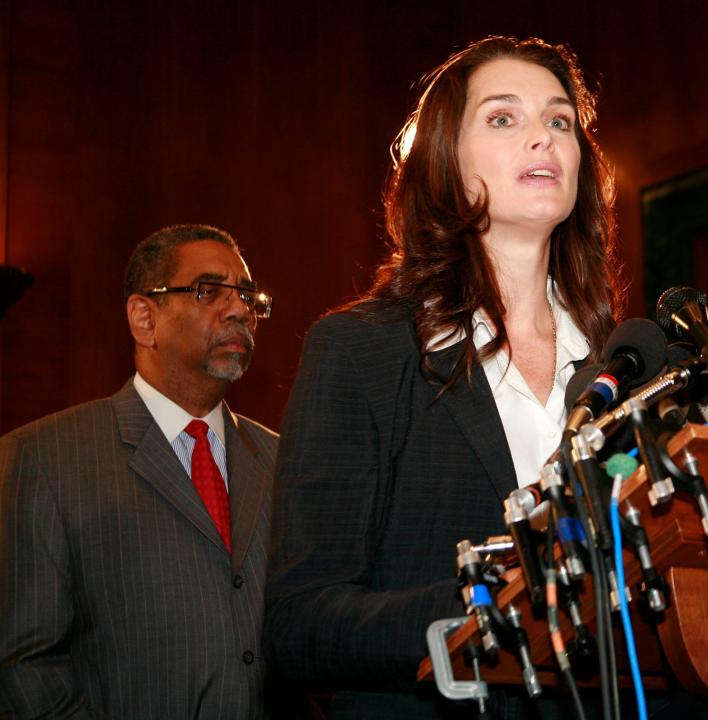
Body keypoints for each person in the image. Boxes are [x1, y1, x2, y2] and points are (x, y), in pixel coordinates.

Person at [265, 37, 627, 719]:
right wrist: (492, 601)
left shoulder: (623, 369)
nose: (542, 139)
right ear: (442, 159)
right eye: (502, 118)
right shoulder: (362, 353)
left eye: (559, 121)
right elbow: (300, 623)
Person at [0, 224, 278, 719]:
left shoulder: (281, 462)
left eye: (247, 296)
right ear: (144, 318)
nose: (238, 310)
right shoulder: (44, 459)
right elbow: (24, 665)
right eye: (207, 291)